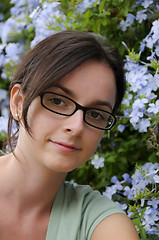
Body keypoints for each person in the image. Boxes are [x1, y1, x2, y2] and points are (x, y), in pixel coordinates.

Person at [0, 30, 139, 240]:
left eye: (95, 114)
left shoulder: (102, 223)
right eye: (57, 101)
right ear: (18, 103)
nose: (76, 127)